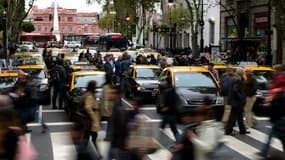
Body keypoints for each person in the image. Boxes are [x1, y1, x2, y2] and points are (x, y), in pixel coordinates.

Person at [225, 68, 249, 135]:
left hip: (234, 100)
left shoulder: (234, 78)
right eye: (243, 72)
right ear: (241, 73)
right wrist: (241, 98)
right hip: (236, 101)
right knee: (233, 117)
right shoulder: (237, 79)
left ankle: (242, 130)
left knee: (240, 116)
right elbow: (235, 90)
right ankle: (228, 131)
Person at [81, 81, 101, 159]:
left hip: (89, 121)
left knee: (88, 138)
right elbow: (87, 107)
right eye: (95, 86)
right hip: (90, 122)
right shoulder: (89, 95)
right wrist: (93, 116)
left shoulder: (88, 94)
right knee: (91, 138)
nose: (96, 88)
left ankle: (96, 154)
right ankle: (97, 154)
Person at [159, 77, 179, 142]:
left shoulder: (170, 90)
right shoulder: (170, 89)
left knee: (173, 128)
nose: (163, 83)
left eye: (164, 81)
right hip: (169, 112)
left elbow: (171, 102)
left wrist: (166, 108)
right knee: (166, 126)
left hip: (170, 112)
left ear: (167, 82)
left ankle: (179, 141)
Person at [101, 75, 114, 141]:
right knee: (110, 123)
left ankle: (109, 136)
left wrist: (105, 107)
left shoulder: (106, 86)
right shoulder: (111, 85)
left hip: (108, 108)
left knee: (110, 123)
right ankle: (109, 135)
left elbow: (106, 98)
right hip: (111, 107)